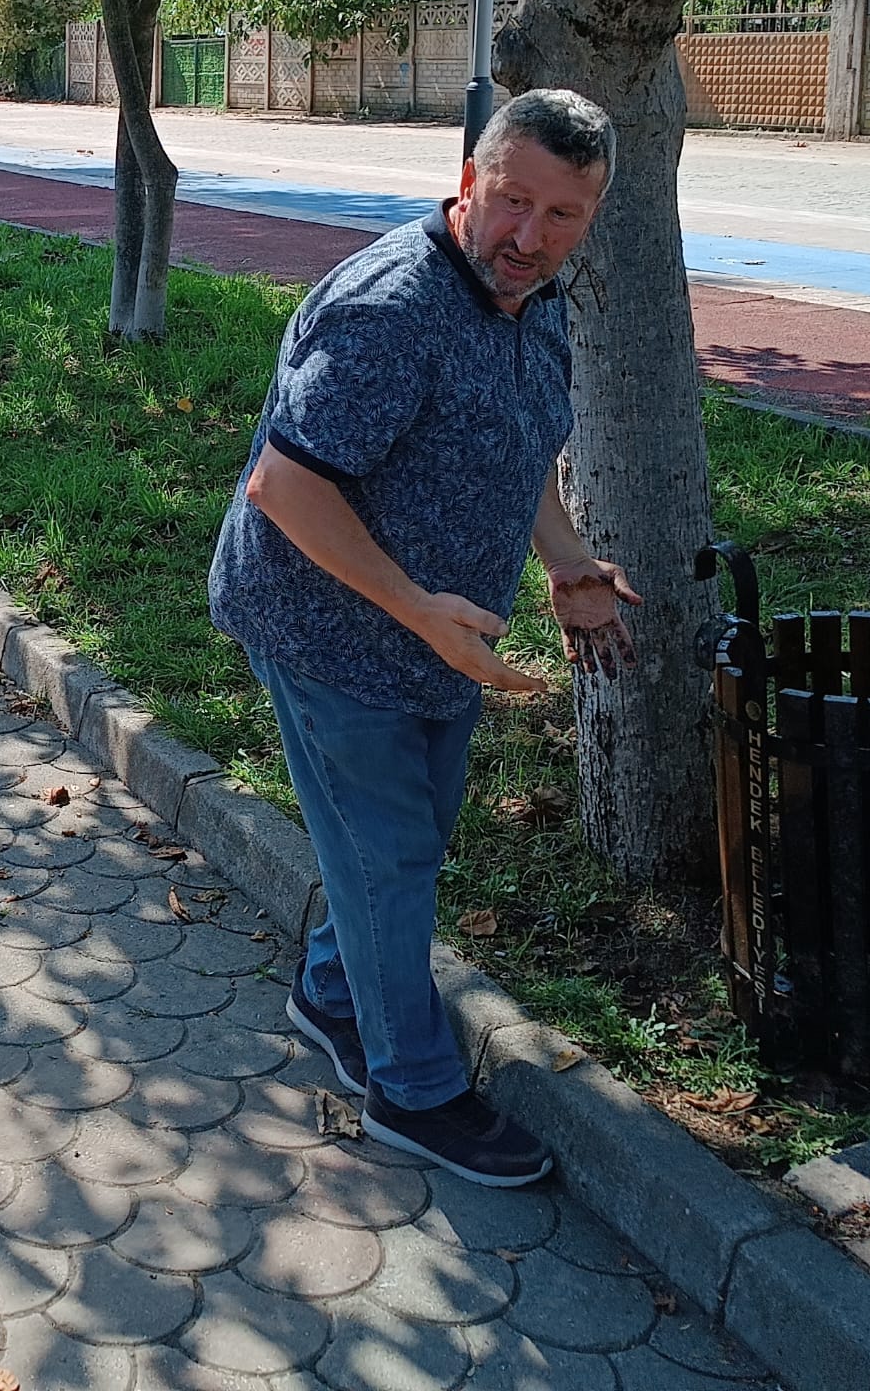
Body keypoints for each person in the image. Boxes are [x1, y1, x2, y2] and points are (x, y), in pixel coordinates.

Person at [209, 88, 639, 1188]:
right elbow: (284, 484)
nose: (528, 236)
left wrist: (567, 563)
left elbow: (524, 443)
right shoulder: (392, 308)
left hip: (443, 636)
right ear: (468, 180)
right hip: (326, 627)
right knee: (389, 852)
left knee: (404, 838)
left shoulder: (530, 296)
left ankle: (331, 991)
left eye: (561, 215)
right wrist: (414, 607)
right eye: (511, 202)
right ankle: (410, 1084)